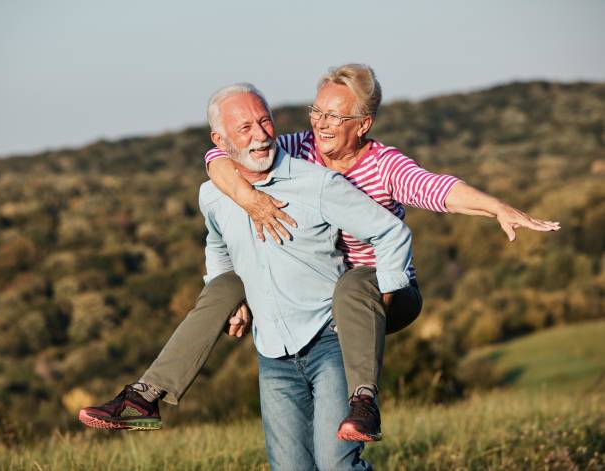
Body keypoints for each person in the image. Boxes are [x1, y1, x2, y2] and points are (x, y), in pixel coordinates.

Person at [201, 64, 561, 442]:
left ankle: (365, 404)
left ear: (363, 124)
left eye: (336, 116)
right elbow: (220, 158)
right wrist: (250, 199)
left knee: (354, 286)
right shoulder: (300, 149)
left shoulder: (384, 166)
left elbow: (437, 189)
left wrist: (497, 207)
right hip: (333, 300)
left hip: (387, 292)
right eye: (317, 111)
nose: (321, 124)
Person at [80, 83, 415, 470]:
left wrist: (386, 296)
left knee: (336, 465)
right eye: (245, 128)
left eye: (265, 121)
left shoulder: (318, 184)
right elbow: (219, 246)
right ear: (219, 141)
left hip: (329, 342)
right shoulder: (213, 195)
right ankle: (145, 395)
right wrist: (234, 299)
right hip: (273, 352)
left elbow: (391, 231)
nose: (260, 135)